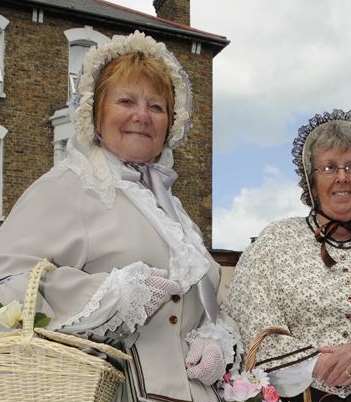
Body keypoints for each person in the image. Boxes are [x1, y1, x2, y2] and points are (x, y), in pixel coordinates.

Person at [0, 31, 240, 402]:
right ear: (96, 115)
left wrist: (214, 339)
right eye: (126, 101)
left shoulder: (172, 210)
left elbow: (200, 306)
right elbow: (11, 280)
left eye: (157, 107)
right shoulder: (69, 185)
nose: (142, 116)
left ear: (170, 125)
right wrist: (113, 295)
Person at [225, 110, 351, 402]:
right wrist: (316, 364)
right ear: (311, 180)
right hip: (300, 394)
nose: (342, 178)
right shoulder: (275, 241)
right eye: (329, 168)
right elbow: (251, 315)